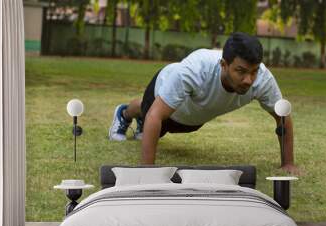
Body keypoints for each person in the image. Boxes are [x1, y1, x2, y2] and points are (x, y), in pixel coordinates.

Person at [109, 32, 299, 174]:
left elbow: (283, 117)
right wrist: (148, 174)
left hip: (192, 118)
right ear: (223, 65)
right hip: (161, 88)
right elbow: (155, 115)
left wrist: (288, 163)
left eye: (253, 71)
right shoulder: (197, 69)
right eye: (241, 71)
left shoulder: (263, 79)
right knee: (147, 110)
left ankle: (142, 122)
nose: (249, 80)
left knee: (160, 121)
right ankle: (124, 113)